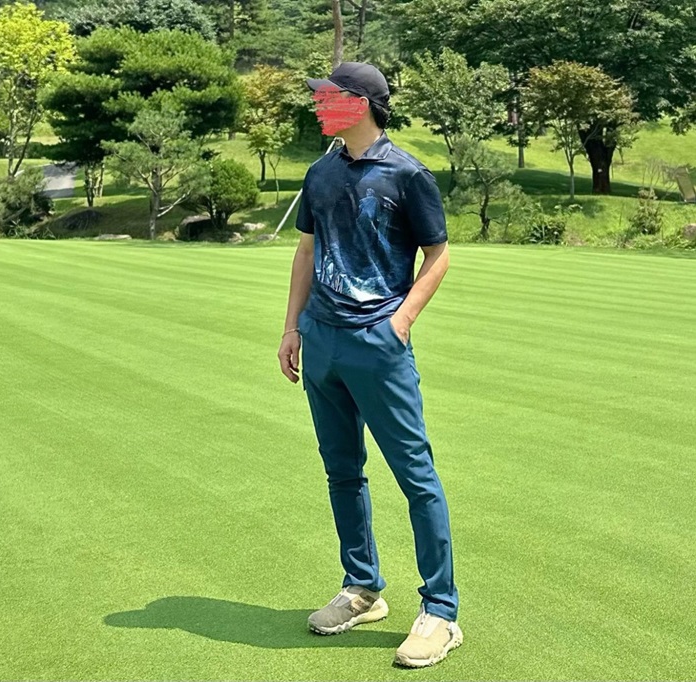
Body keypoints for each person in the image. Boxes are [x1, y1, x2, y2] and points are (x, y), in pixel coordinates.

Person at [277, 62, 462, 668]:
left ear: (359, 103)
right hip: (322, 339)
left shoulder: (408, 174)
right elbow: (307, 250)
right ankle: (362, 588)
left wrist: (400, 322)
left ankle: (441, 612)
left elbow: (438, 254)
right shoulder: (321, 171)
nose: (318, 105)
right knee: (341, 471)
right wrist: (291, 327)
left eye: (327, 97)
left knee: (415, 476)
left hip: (377, 344)